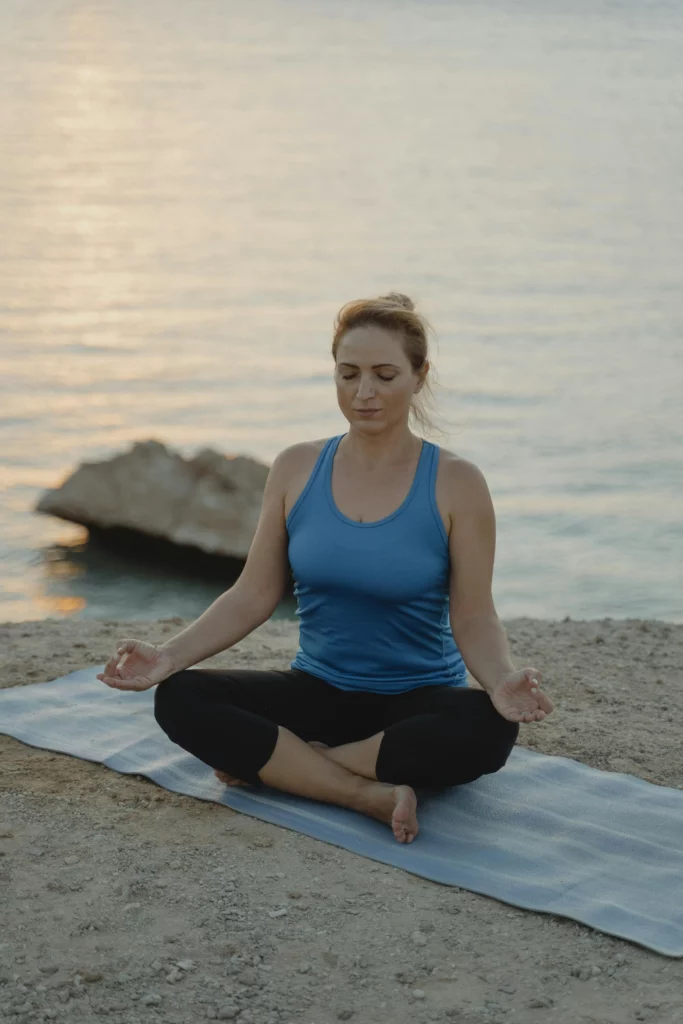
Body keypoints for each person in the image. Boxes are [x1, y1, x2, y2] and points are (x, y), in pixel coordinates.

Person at [97, 292, 555, 844]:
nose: (364, 393)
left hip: (416, 703)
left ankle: (302, 766)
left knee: (487, 727)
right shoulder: (296, 467)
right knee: (179, 696)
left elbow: (475, 616)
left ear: (419, 375)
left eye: (385, 375)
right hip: (316, 691)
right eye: (348, 374)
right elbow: (253, 593)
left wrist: (500, 679)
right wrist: (167, 656)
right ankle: (360, 791)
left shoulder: (457, 483)